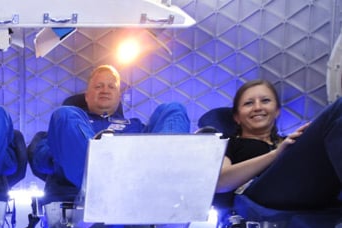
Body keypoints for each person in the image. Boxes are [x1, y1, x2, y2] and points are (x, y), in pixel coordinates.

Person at [28, 64, 190, 194]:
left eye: (111, 87)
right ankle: (96, 169)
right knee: (64, 113)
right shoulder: (70, 122)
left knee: (173, 108)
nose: (105, 90)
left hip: (137, 181)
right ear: (87, 95)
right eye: (98, 86)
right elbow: (41, 161)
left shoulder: (135, 125)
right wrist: (64, 152)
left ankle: (164, 174)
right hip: (86, 187)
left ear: (119, 96)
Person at [214, 78, 342, 210]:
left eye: (265, 101)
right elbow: (220, 181)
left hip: (308, 187)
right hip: (258, 196)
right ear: (236, 117)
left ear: (277, 111)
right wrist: (276, 154)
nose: (258, 107)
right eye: (248, 103)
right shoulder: (229, 143)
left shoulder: (289, 141)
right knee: (338, 108)